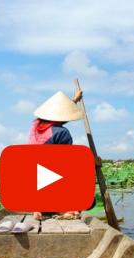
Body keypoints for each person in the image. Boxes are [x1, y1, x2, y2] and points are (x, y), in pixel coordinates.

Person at [28, 90, 84, 221]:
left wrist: (74, 100)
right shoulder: (62, 133)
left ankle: (39, 206)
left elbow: (58, 117)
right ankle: (61, 208)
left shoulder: (35, 125)